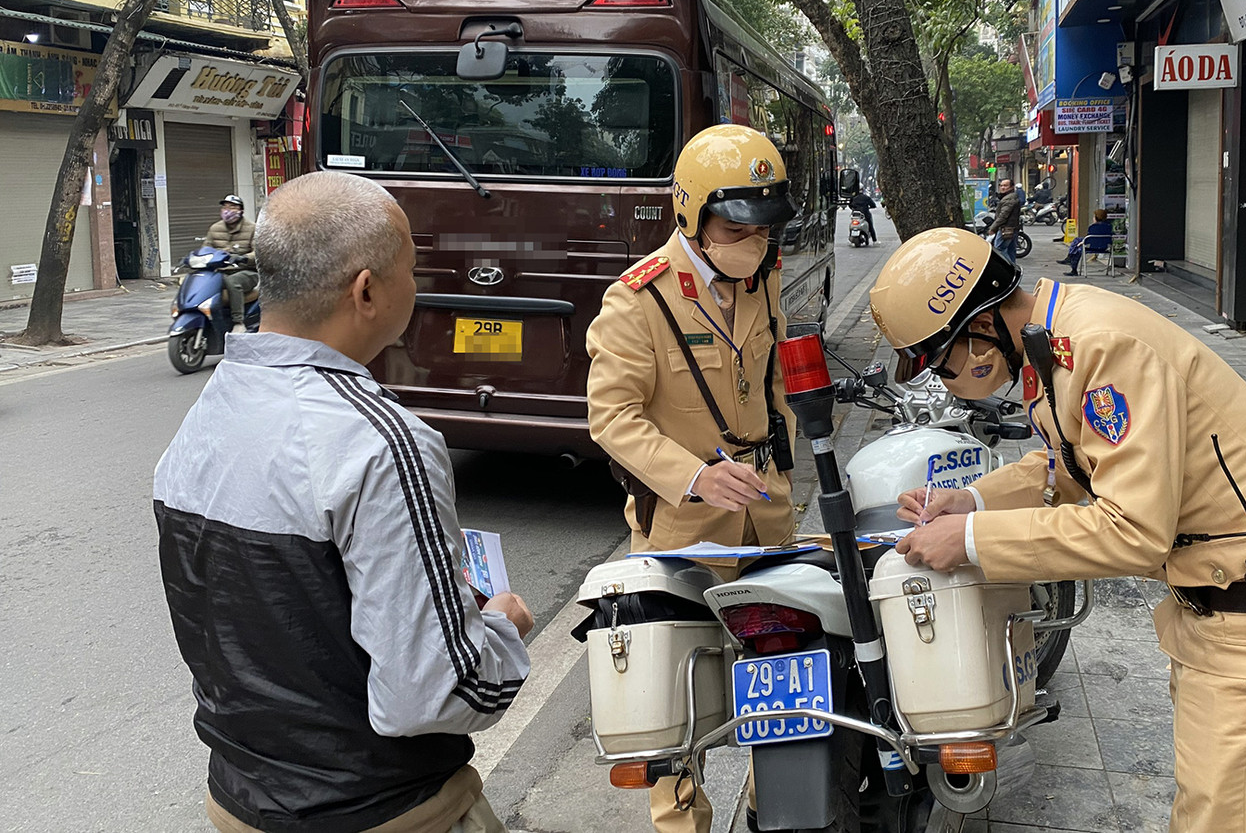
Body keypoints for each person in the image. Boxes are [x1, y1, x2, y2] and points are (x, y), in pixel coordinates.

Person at [868, 228, 1246, 833]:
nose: (946, 378)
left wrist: (967, 541)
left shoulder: (1103, 347)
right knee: (1207, 811)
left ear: (979, 329)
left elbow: (1132, 530)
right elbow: (1071, 461)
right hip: (1221, 606)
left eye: (941, 361)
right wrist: (972, 499)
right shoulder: (1053, 342)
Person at [155, 171, 533, 833]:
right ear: (367, 290)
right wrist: (500, 628)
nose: (416, 285)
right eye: (411, 269)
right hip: (388, 811)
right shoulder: (385, 442)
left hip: (239, 802)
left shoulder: (203, 419)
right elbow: (434, 690)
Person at [586, 124, 798, 833]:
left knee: (783, 685)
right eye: (740, 224)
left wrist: (790, 469)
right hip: (682, 533)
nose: (758, 241)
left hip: (767, 520)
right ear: (693, 214)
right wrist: (695, 477)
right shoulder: (637, 300)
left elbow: (772, 387)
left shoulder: (762, 278)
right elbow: (611, 417)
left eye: (767, 227)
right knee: (676, 703)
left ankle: (776, 808)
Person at [205, 194, 258, 334]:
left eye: (233, 207)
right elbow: (205, 249)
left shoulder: (252, 228)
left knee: (233, 282)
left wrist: (243, 258)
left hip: (246, 272)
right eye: (225, 207)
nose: (228, 210)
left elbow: (257, 252)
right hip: (221, 271)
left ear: (241, 210)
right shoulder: (215, 228)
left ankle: (238, 322)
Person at [1058, 208, 1114, 275]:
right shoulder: (1109, 226)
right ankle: (1069, 258)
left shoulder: (1093, 227)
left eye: (1094, 217)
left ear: (1096, 218)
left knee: (1078, 249)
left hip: (1092, 246)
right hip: (1104, 247)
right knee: (1077, 240)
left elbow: (1089, 240)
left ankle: (1073, 266)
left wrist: (1081, 243)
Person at [986, 178, 1022, 264]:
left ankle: (1011, 268)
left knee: (1000, 250)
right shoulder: (1009, 197)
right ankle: (1013, 269)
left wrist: (993, 228)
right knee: (1010, 251)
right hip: (1012, 229)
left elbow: (1003, 216)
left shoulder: (1009, 199)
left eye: (1005, 186)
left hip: (1006, 230)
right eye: (1001, 185)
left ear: (1011, 187)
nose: (1002, 187)